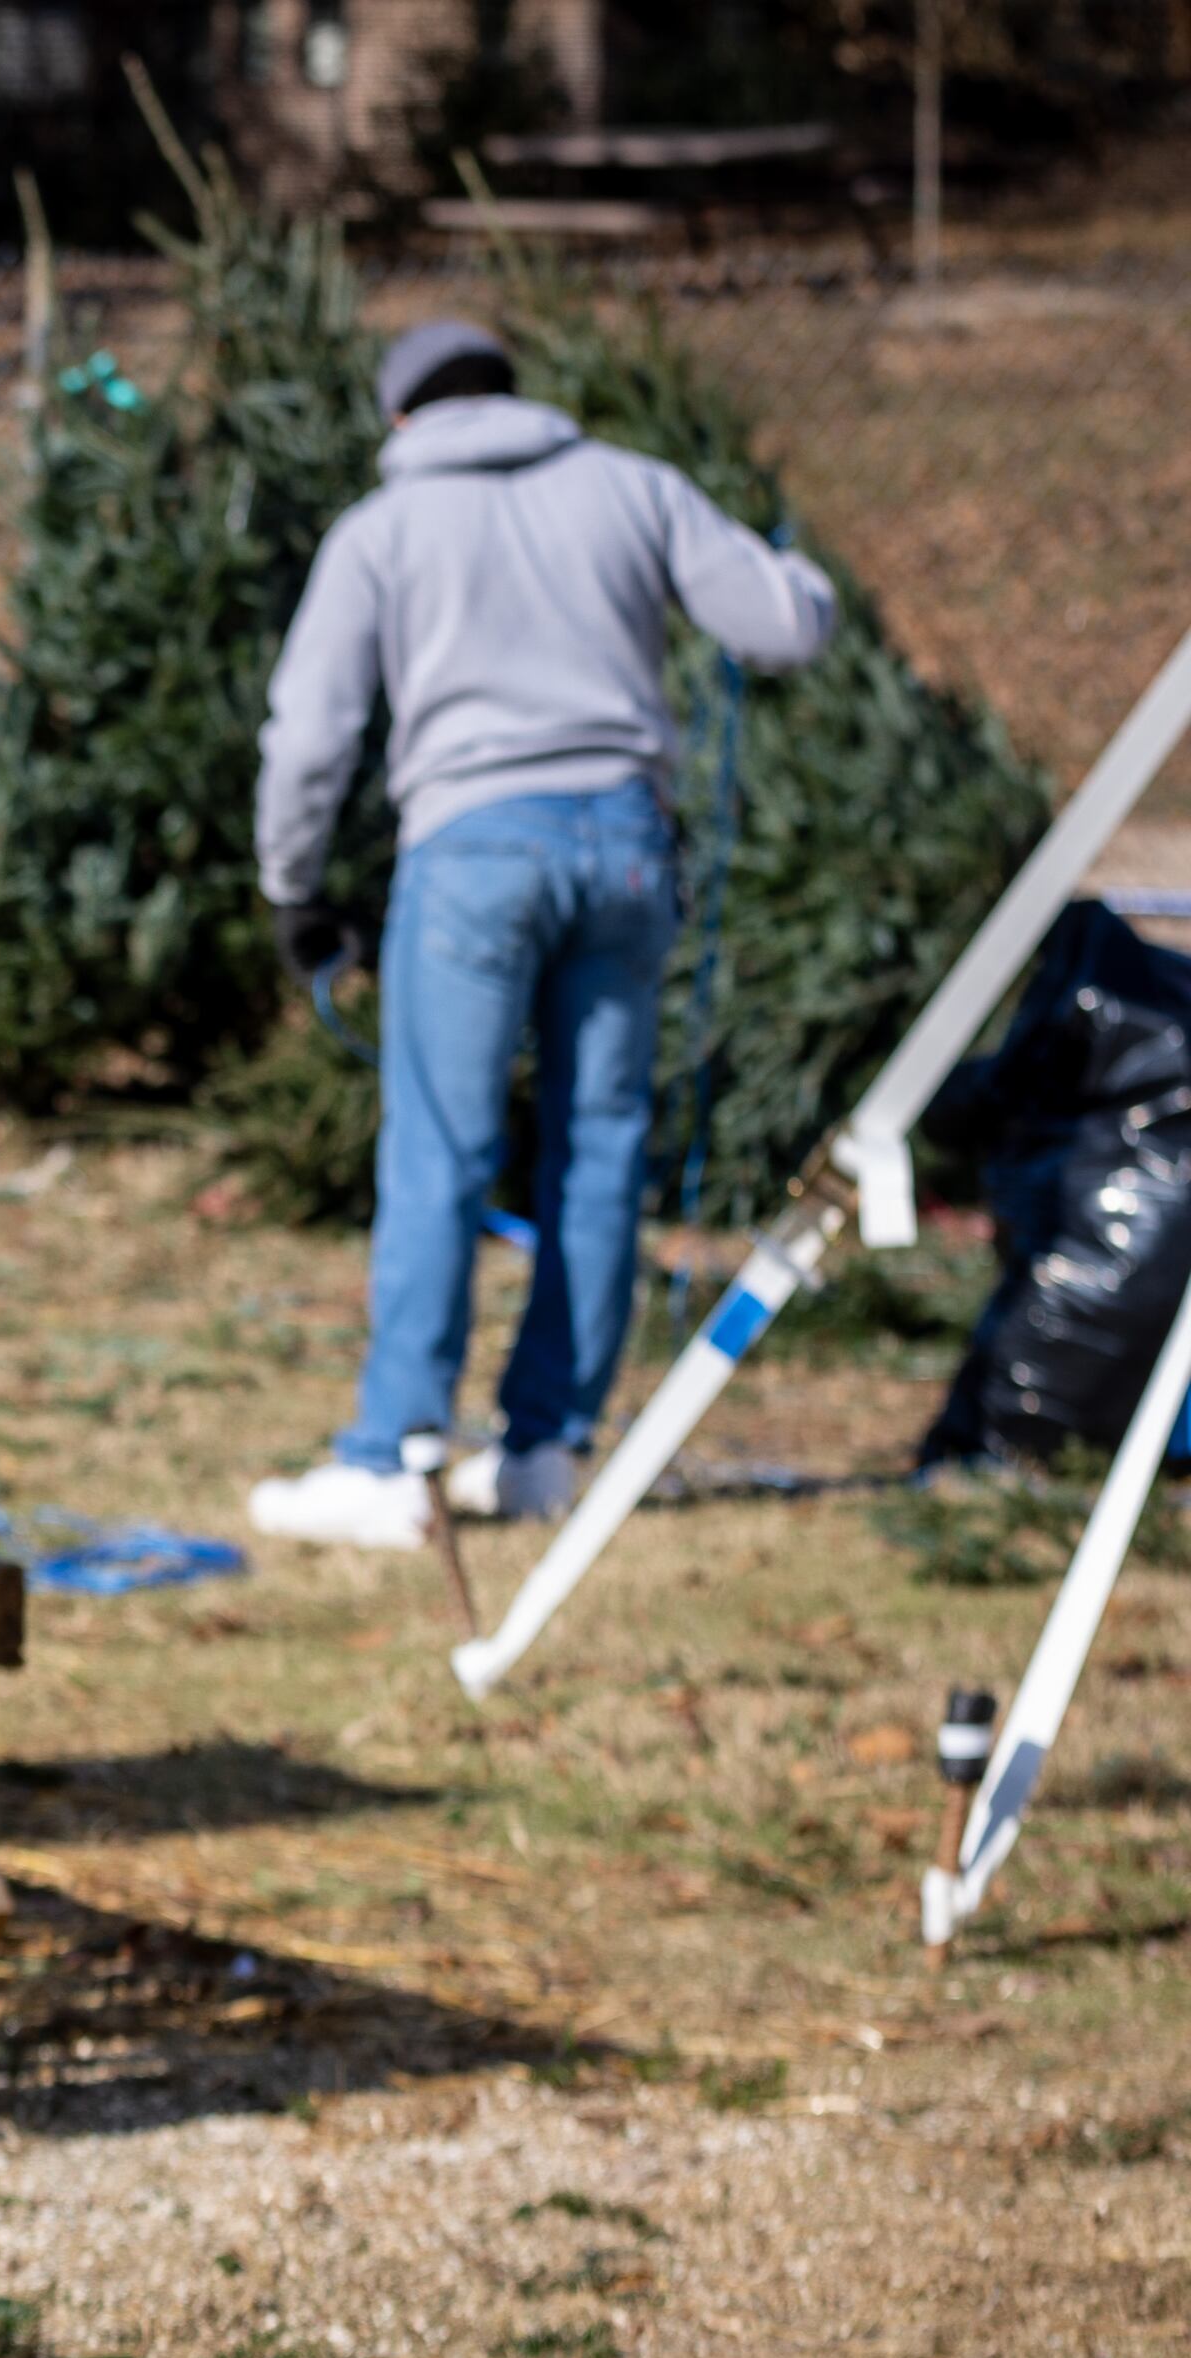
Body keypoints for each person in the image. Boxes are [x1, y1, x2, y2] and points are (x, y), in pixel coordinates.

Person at [245, 318, 839, 1553]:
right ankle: (546, 1450)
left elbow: (310, 732)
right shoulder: (633, 486)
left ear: (404, 420)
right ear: (517, 396)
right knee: (600, 1145)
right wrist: (803, 574)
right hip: (629, 847)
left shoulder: (381, 530)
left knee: (443, 1149)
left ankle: (395, 1456)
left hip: (471, 856)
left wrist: (294, 882)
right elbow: (784, 627)